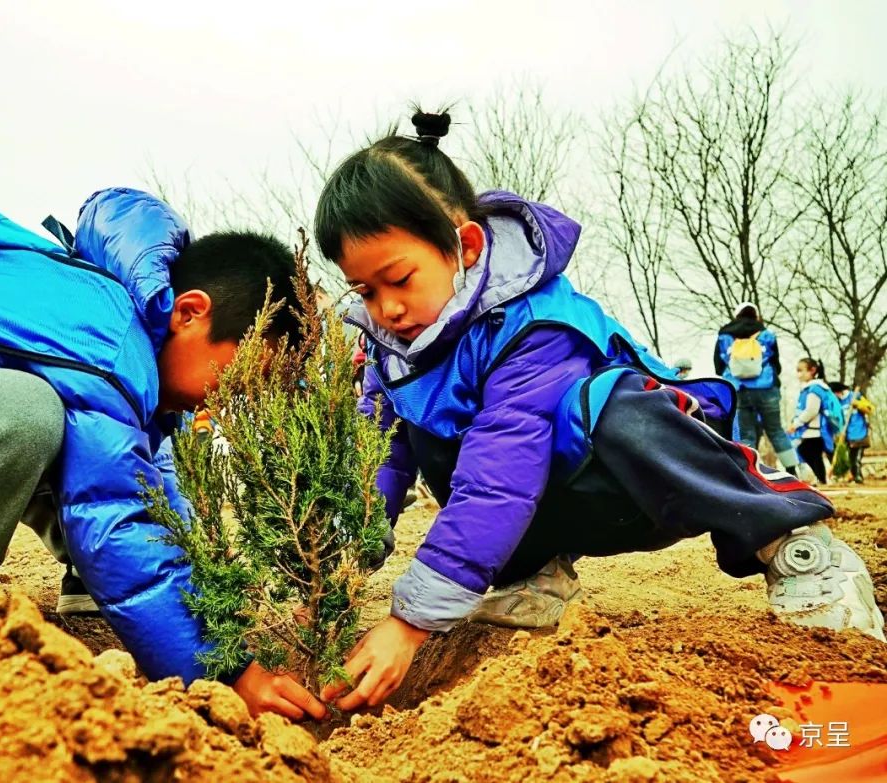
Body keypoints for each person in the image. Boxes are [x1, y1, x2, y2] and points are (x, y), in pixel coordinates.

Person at [314, 110, 885, 711]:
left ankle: (791, 540)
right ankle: (529, 579)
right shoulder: (392, 355)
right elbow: (375, 466)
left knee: (613, 406)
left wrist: (411, 622)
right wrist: (331, 572)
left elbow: (499, 474)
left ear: (467, 248)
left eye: (399, 279)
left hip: (635, 482)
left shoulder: (534, 328)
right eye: (366, 292)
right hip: (551, 502)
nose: (388, 309)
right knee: (424, 434)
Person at [0, 188, 327, 721]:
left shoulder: (117, 326)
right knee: (23, 415)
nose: (226, 403)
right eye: (237, 380)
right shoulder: (107, 347)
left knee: (96, 446)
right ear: (190, 313)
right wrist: (221, 671)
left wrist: (218, 603)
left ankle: (75, 584)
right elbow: (116, 519)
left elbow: (156, 494)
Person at [715, 303, 799, 475]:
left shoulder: (724, 337)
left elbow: (718, 366)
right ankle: (792, 471)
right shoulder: (767, 334)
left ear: (736, 316)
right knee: (775, 430)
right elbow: (776, 364)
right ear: (756, 316)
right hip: (767, 388)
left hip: (738, 390)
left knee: (746, 433)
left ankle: (751, 474)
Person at [786, 359, 840, 486]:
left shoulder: (814, 389)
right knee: (811, 454)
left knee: (810, 453)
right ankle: (821, 479)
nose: (798, 374)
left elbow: (811, 410)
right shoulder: (810, 388)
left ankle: (822, 479)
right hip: (811, 430)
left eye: (801, 371)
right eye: (797, 371)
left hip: (814, 430)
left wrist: (796, 424)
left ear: (812, 370)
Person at [829, 382, 872, 484]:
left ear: (837, 392)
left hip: (859, 433)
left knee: (856, 459)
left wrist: (858, 404)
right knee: (849, 458)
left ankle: (858, 477)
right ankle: (852, 476)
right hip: (846, 435)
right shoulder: (838, 403)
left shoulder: (855, 396)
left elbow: (869, 409)